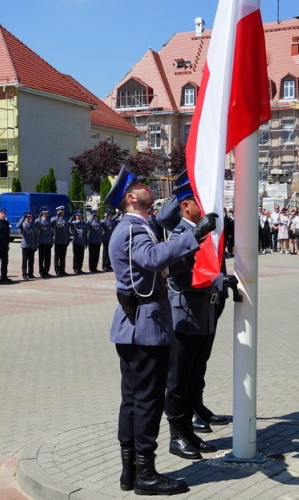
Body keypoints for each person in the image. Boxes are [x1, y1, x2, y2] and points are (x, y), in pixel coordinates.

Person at [106, 165, 200, 496]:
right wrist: (196, 234)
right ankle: (145, 474)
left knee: (133, 401)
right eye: (142, 185)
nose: (148, 187)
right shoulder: (133, 229)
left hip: (135, 324)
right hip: (145, 326)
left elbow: (159, 252)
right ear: (131, 197)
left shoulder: (138, 225)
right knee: (146, 402)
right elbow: (152, 257)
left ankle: (130, 472)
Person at [157, 172, 230, 462]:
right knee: (177, 380)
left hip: (202, 313)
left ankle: (189, 431)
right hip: (184, 315)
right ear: (186, 206)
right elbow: (180, 278)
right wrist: (213, 279)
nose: (207, 206)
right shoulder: (179, 235)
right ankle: (176, 436)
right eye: (200, 200)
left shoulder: (204, 233)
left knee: (191, 377)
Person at [52, 205, 70, 276]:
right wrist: (57, 216)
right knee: (57, 256)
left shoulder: (65, 219)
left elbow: (67, 231)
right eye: (61, 212)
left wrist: (67, 239)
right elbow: (52, 223)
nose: (63, 213)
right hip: (58, 241)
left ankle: (63, 270)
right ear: (58, 212)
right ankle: (57, 270)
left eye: (63, 212)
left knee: (63, 256)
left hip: (64, 241)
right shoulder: (55, 219)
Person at [36, 207, 54, 278]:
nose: (46, 214)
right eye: (45, 213)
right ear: (42, 213)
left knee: (48, 258)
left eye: (47, 213)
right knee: (41, 258)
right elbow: (37, 228)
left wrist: (51, 241)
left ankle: (46, 271)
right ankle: (41, 271)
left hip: (48, 242)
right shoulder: (38, 220)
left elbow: (50, 232)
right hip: (42, 242)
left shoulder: (48, 220)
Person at [19, 211, 36, 280]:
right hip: (25, 245)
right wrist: (23, 218)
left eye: (30, 217)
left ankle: (30, 273)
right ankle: (24, 274)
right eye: (28, 217)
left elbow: (35, 235)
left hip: (32, 245)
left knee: (31, 260)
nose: (30, 218)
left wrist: (35, 244)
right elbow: (18, 225)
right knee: (25, 261)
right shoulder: (23, 224)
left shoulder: (32, 224)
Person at [70, 210, 87, 274]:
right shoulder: (74, 223)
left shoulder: (83, 223)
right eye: (78, 215)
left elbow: (85, 233)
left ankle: (80, 268)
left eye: (80, 215)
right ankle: (76, 269)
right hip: (76, 242)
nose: (79, 217)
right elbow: (69, 223)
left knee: (81, 256)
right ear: (76, 216)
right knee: (76, 256)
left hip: (82, 242)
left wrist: (86, 242)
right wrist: (72, 216)